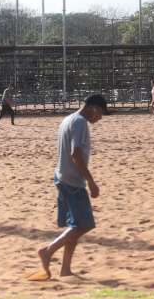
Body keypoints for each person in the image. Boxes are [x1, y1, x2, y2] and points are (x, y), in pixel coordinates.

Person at [28, 94, 108, 281]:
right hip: (73, 181)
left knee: (75, 226)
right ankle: (48, 251)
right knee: (85, 225)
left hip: (62, 177)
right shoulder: (80, 122)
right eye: (101, 113)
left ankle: (65, 270)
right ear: (93, 108)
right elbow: (76, 153)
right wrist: (90, 180)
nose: (100, 118)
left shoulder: (68, 119)